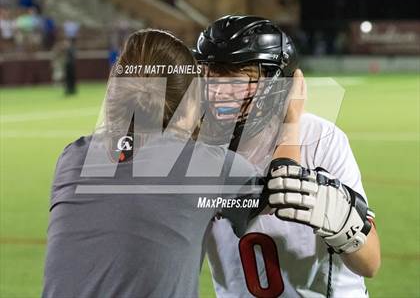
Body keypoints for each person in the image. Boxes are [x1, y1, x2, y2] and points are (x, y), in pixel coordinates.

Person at [42, 28, 299, 298]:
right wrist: (291, 122)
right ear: (190, 101)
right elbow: (285, 191)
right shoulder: (207, 165)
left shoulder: (72, 157)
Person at [194, 15, 381, 298]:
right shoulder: (198, 149)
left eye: (236, 79)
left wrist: (344, 226)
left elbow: (370, 263)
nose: (219, 92)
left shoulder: (321, 139)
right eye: (211, 76)